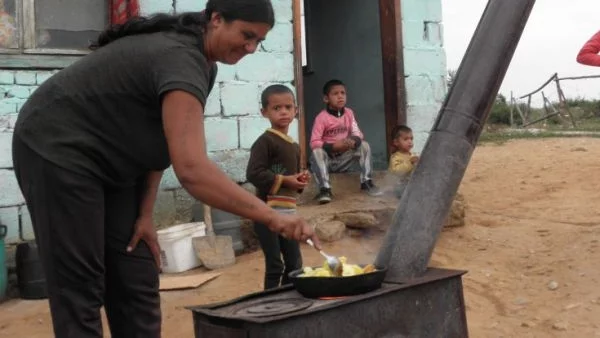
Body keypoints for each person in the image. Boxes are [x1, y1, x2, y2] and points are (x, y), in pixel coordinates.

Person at [11, 1, 319, 337]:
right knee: (80, 284)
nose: (250, 48)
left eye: (258, 41)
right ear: (216, 19)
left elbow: (162, 145)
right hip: (55, 147)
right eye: (246, 35)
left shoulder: (205, 65)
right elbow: (192, 170)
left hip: (114, 161)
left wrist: (145, 215)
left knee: (135, 275)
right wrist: (272, 217)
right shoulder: (180, 58)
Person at [246, 85, 309, 290]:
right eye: (276, 108)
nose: (283, 112)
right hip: (266, 213)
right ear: (264, 112)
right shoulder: (264, 142)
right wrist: (285, 180)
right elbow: (254, 173)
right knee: (275, 264)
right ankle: (270, 304)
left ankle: (288, 301)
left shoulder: (294, 145)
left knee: (294, 264)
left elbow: (292, 181)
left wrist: (299, 180)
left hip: (289, 212)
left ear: (295, 111)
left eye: (288, 107)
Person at [309, 79, 382, 204]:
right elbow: (314, 142)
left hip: (344, 159)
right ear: (326, 99)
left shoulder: (349, 113)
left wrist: (353, 141)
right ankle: (325, 189)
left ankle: (367, 182)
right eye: (335, 94)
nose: (340, 96)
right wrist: (333, 146)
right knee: (317, 152)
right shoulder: (321, 118)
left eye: (343, 93)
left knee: (364, 145)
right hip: (329, 160)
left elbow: (358, 133)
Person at [387, 125, 419, 198]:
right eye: (406, 139)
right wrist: (410, 163)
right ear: (396, 142)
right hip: (400, 186)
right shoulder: (395, 157)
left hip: (411, 184)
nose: (410, 141)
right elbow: (396, 171)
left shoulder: (413, 155)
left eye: (411, 139)